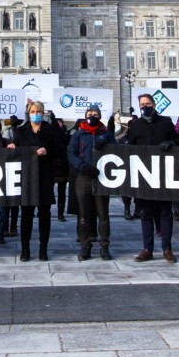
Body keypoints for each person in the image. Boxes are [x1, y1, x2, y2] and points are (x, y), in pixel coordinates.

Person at [125, 93, 179, 263]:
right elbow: (130, 148)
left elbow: (178, 140)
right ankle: (147, 248)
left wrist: (171, 143)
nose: (145, 107)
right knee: (146, 213)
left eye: (148, 103)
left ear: (154, 105)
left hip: (163, 174)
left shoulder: (165, 122)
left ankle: (167, 248)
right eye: (142, 104)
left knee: (165, 213)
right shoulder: (136, 126)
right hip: (144, 175)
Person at [12, 101, 65, 261]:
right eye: (33, 111)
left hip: (44, 176)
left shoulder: (51, 130)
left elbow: (60, 150)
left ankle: (43, 248)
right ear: (28, 113)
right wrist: (13, 147)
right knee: (26, 214)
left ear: (43, 113)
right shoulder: (21, 131)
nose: (35, 113)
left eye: (38, 111)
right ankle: (25, 249)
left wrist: (47, 151)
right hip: (27, 176)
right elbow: (17, 149)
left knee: (44, 214)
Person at [66, 105, 115, 261]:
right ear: (85, 115)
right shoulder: (79, 134)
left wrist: (107, 144)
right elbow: (70, 153)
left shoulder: (106, 134)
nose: (92, 116)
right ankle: (85, 245)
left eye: (95, 114)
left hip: (102, 177)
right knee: (84, 214)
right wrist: (83, 167)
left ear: (99, 116)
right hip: (84, 176)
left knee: (103, 214)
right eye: (89, 114)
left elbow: (117, 151)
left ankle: (104, 245)